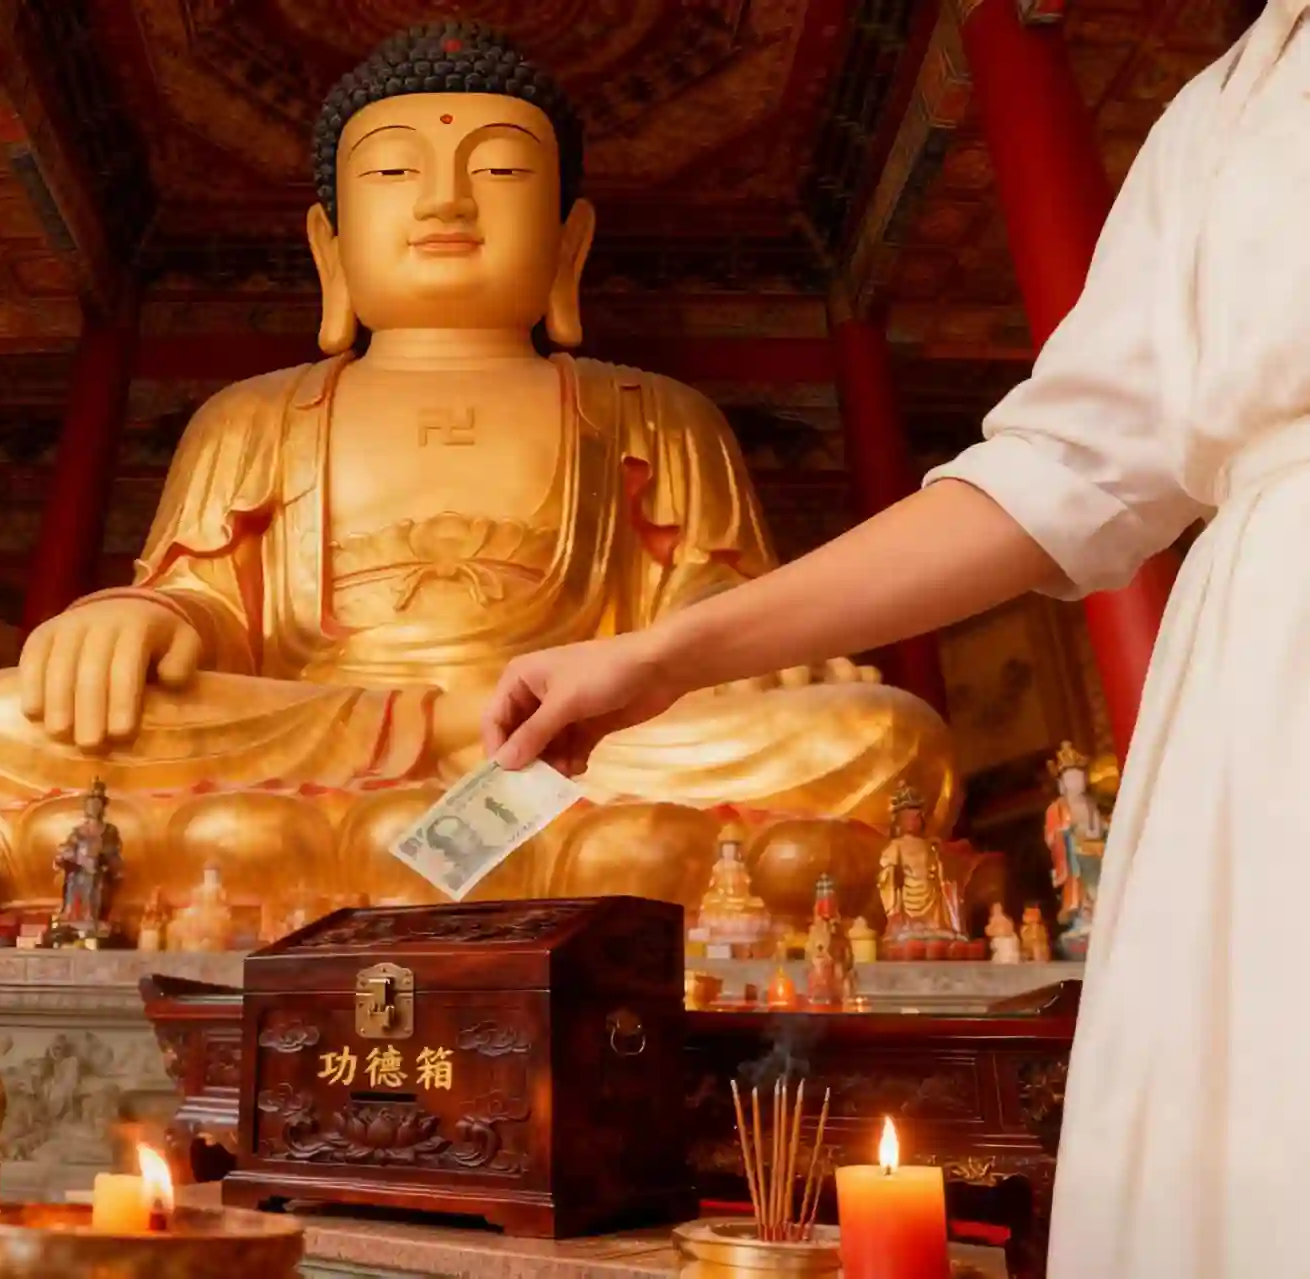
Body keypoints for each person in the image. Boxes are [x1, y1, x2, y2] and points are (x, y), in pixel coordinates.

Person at [482, 10, 1310, 1277]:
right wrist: (654, 659)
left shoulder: (655, 417)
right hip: (1261, 679)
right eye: (387, 175)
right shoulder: (1227, 101)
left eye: (494, 171)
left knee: (864, 739)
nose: (438, 205)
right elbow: (1059, 470)